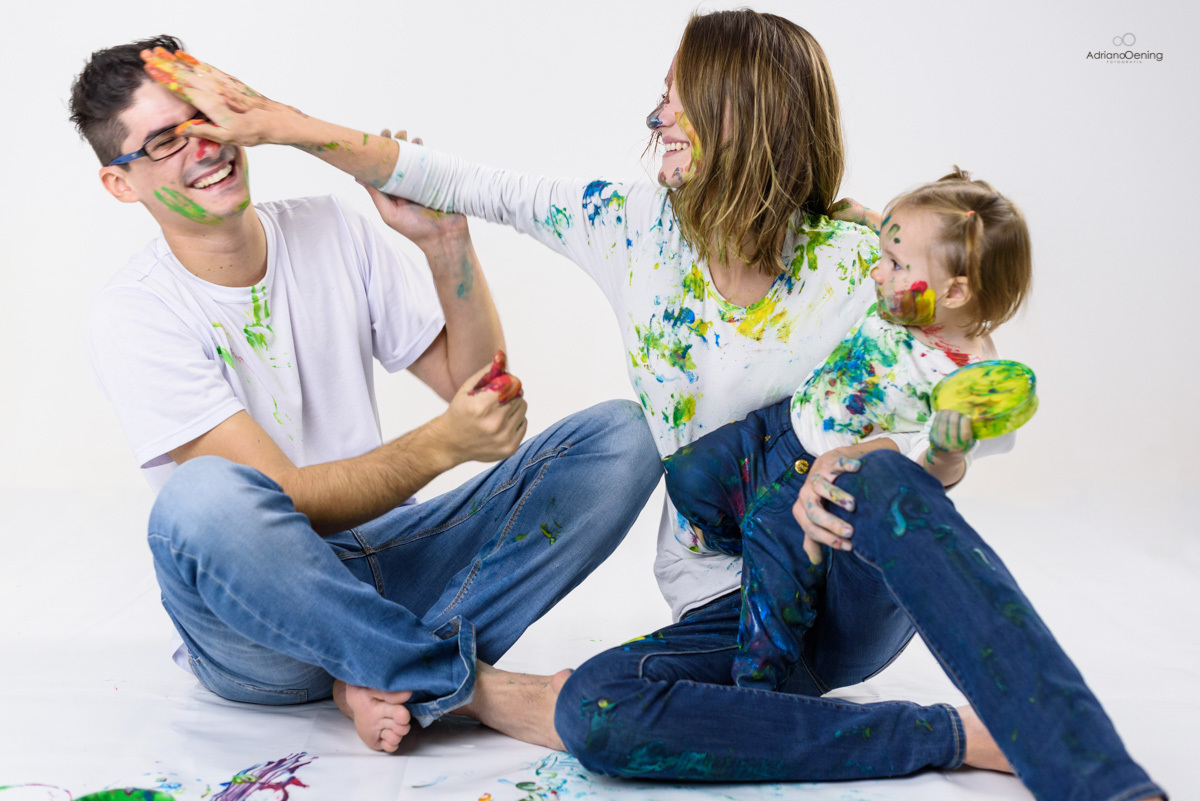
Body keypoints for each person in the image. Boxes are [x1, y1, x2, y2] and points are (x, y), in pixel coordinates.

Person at [135, 10, 1166, 800]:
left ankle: (1097, 777)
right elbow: (451, 176)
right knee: (598, 710)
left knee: (884, 474)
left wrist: (882, 465)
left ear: (744, 117)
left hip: (842, 585)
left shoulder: (860, 258)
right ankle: (947, 737)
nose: (656, 117)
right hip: (723, 604)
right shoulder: (627, 228)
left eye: (679, 100)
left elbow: (958, 414)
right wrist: (280, 123)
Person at [71, 35, 662, 756]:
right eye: (165, 140)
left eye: (207, 116)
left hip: (393, 561)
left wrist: (446, 245)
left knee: (622, 437)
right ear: (121, 184)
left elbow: (476, 391)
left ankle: (375, 667)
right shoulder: (135, 311)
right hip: (258, 623)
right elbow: (283, 495)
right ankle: (470, 686)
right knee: (201, 501)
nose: (204, 146)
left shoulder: (330, 227)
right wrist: (444, 442)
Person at [663, 167, 1032, 692]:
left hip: (817, 494)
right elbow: (915, 242)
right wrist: (868, 219)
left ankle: (758, 694)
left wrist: (950, 450)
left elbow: (936, 469)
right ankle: (745, 542)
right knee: (686, 478)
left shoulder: (968, 383)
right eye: (885, 256)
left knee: (772, 608)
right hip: (779, 430)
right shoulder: (913, 292)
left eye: (894, 264)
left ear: (955, 292)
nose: (878, 273)